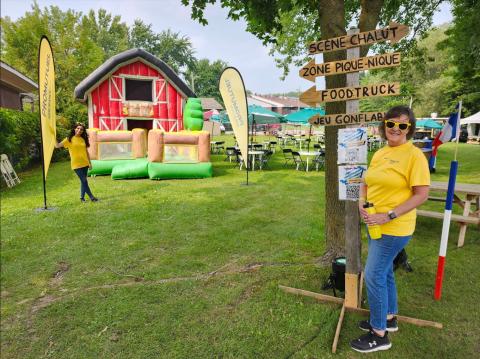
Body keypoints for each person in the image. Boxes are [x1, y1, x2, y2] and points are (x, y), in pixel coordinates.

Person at [350, 106, 430, 353]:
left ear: (410, 129)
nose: (395, 129)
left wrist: (390, 214)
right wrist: (363, 203)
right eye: (390, 124)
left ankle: (379, 334)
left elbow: (422, 194)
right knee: (384, 273)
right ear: (384, 127)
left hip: (395, 227)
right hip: (375, 224)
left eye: (402, 125)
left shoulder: (414, 156)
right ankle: (389, 318)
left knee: (373, 275)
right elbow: (365, 182)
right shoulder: (380, 153)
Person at [55, 122, 98, 203]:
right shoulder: (69, 139)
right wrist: (53, 137)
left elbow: (86, 152)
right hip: (76, 164)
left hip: (85, 163)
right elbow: (57, 145)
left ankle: (82, 198)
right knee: (84, 181)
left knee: (83, 181)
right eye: (78, 128)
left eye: (81, 129)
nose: (79, 130)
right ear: (74, 129)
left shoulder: (83, 139)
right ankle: (92, 197)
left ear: (83, 131)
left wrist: (90, 163)